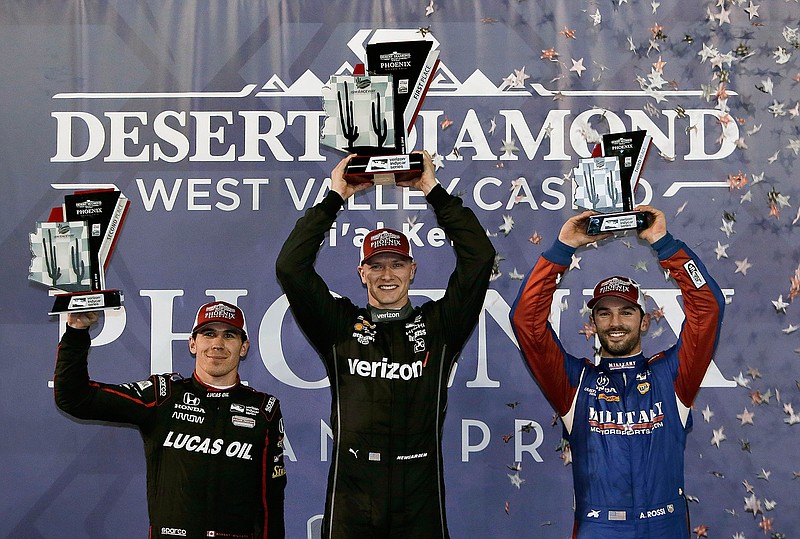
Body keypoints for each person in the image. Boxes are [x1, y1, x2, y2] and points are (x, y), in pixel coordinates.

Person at [275, 151, 495, 538]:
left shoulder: (440, 325)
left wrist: (432, 188)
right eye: (376, 265)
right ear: (362, 273)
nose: (387, 274)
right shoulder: (340, 325)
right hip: (353, 492)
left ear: (413, 270)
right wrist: (335, 197)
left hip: (418, 495)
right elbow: (290, 267)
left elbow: (479, 258)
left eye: (396, 264)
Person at [510, 207, 724, 539]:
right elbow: (527, 322)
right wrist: (563, 247)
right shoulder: (573, 383)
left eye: (626, 312)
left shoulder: (672, 376)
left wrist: (663, 243)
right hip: (600, 527)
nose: (615, 323)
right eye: (604, 314)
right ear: (592, 324)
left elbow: (708, 308)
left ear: (645, 321)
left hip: (664, 526)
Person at [54, 301, 287, 539]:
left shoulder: (263, 409)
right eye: (209, 333)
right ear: (193, 344)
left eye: (229, 335)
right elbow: (74, 398)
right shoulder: (163, 395)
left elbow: (272, 500)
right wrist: (77, 331)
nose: (218, 343)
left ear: (244, 347)